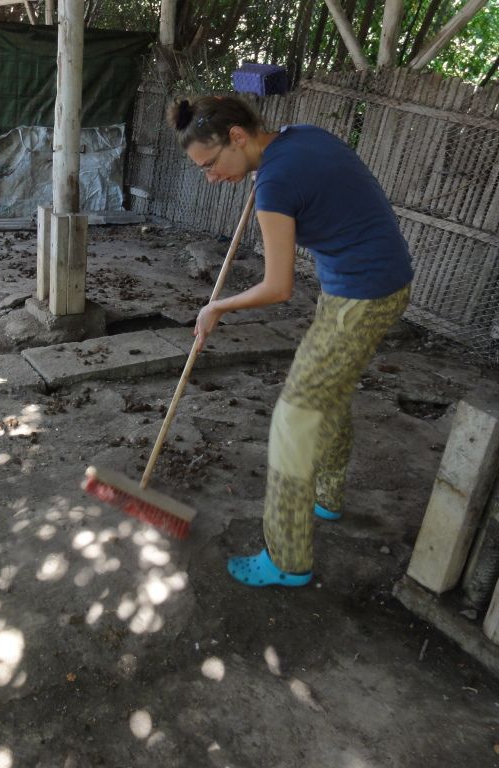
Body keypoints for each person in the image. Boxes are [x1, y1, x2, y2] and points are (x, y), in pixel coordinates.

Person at [167, 95, 413, 588]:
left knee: (294, 419)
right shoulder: (299, 135)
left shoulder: (274, 182)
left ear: (238, 136)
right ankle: (328, 495)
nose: (212, 179)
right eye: (202, 172)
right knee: (328, 389)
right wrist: (257, 178)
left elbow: (278, 287)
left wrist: (217, 306)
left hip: (360, 293)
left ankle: (287, 559)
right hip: (374, 280)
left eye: (212, 165)